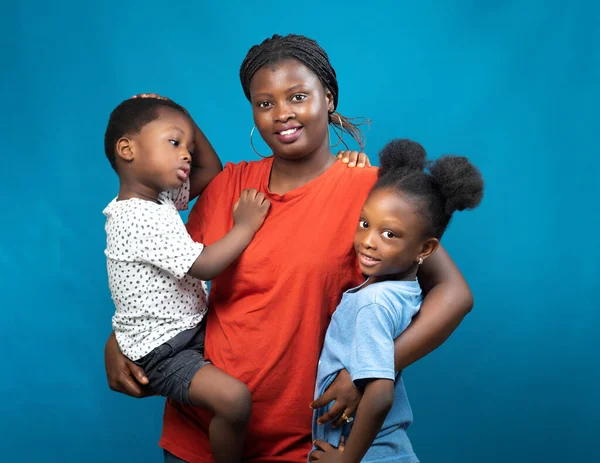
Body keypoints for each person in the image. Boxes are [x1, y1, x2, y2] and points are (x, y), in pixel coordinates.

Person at [104, 34, 475, 463]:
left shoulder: (371, 193)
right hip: (204, 437)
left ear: (328, 98)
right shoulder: (229, 186)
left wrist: (368, 370)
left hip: (309, 444)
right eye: (265, 104)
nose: (282, 114)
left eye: (298, 96)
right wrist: (123, 338)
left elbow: (454, 294)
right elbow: (162, 272)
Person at [102, 96, 270, 462]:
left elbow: (211, 171)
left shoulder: (157, 200)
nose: (188, 155)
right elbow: (206, 265)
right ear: (127, 149)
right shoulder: (135, 218)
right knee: (234, 400)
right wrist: (246, 226)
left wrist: (184, 118)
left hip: (185, 330)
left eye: (188, 146)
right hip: (165, 350)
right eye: (174, 142)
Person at [310, 139, 484, 462]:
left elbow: (379, 397)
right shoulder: (402, 292)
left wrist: (346, 460)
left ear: (426, 250)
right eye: (364, 224)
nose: (368, 241)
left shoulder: (373, 304)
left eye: (389, 234)